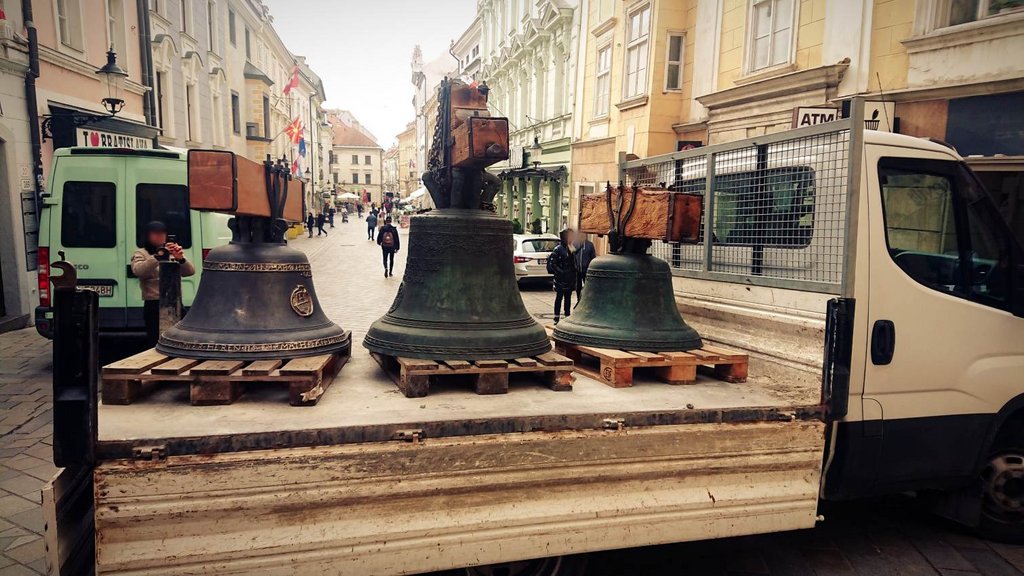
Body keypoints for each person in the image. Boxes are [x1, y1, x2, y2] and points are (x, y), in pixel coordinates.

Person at [131, 221, 195, 347]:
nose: (159, 237)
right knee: (156, 339)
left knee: (179, 337)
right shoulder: (141, 253)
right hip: (154, 303)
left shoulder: (172, 252)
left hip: (174, 302)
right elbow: (138, 270)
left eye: (162, 234)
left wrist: (180, 258)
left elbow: (190, 271)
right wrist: (157, 256)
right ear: (148, 236)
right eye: (155, 234)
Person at [546, 229, 577, 324]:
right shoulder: (558, 249)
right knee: (559, 297)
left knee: (568, 297)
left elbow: (573, 262)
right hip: (560, 278)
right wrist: (560, 272)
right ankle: (556, 316)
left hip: (569, 277)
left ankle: (567, 314)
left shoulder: (571, 247)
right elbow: (553, 263)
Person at [573, 232, 596, 301]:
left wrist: (591, 268)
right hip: (577, 270)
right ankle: (578, 300)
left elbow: (593, 257)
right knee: (578, 286)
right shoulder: (575, 244)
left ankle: (586, 300)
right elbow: (572, 254)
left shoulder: (590, 245)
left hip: (586, 270)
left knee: (587, 286)